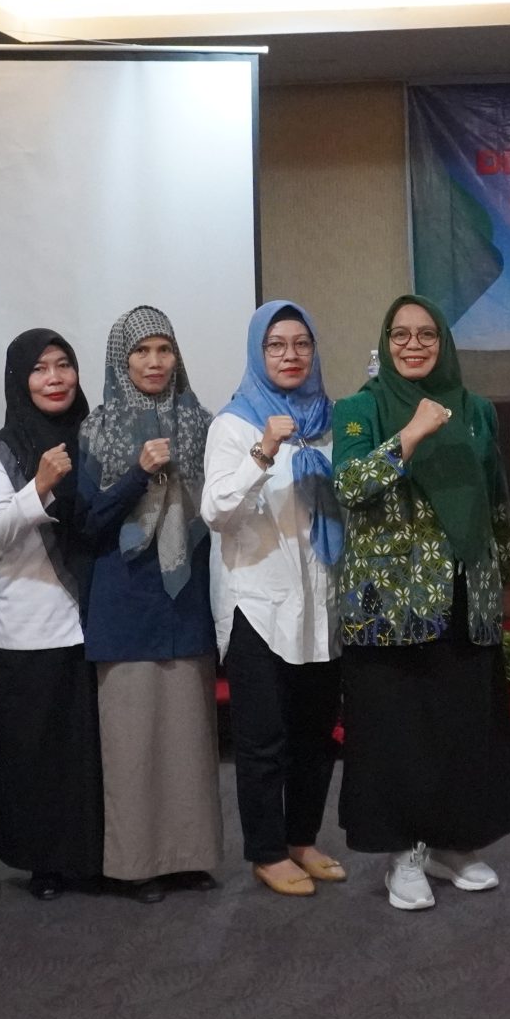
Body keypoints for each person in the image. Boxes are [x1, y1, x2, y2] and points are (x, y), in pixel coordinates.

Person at [331, 295, 510, 910]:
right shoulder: (360, 408)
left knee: (462, 725)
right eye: (400, 334)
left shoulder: (474, 409)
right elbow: (349, 485)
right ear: (385, 341)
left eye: (426, 334)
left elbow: (496, 496)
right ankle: (404, 854)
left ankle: (452, 844)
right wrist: (410, 436)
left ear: (442, 341)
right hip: (390, 601)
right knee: (399, 731)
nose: (413, 345)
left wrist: (509, 575)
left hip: (466, 592)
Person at [77, 305, 225, 900]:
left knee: (189, 739)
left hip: (186, 600)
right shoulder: (96, 430)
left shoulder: (203, 425)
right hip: (125, 602)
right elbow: (89, 523)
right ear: (122, 359)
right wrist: (137, 473)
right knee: (132, 742)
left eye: (164, 349)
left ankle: (189, 857)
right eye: (141, 351)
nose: (154, 361)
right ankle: (137, 865)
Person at [205, 301, 345, 897]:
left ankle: (302, 839)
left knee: (315, 734)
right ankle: (266, 851)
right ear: (257, 352)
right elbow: (216, 511)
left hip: (321, 602)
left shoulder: (332, 421)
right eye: (276, 345)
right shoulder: (234, 425)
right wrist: (263, 451)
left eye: (301, 344)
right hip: (258, 604)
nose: (291, 355)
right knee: (263, 739)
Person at [0, 328, 102, 901]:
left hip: (96, 616)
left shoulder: (96, 435)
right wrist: (41, 486)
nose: (54, 379)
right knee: (38, 747)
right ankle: (44, 862)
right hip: (31, 622)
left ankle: (95, 857)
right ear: (19, 380)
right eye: (40, 368)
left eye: (63, 365)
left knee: (89, 747)